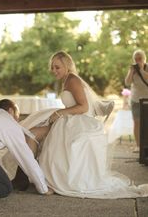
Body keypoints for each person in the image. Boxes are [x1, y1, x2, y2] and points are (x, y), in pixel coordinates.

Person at [14, 51, 148, 199]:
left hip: (76, 121)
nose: (53, 71)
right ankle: (27, 176)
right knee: (31, 133)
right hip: (68, 118)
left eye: (57, 67)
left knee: (32, 133)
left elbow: (83, 107)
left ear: (67, 65)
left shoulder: (72, 80)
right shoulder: (67, 79)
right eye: (52, 67)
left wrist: (60, 113)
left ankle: (30, 177)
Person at [125, 49, 148, 152]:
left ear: (144, 58)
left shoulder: (147, 67)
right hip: (135, 100)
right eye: (136, 59)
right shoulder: (132, 69)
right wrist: (131, 72)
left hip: (147, 99)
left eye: (140, 58)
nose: (138, 60)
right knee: (137, 123)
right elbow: (127, 83)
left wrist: (141, 69)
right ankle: (138, 146)